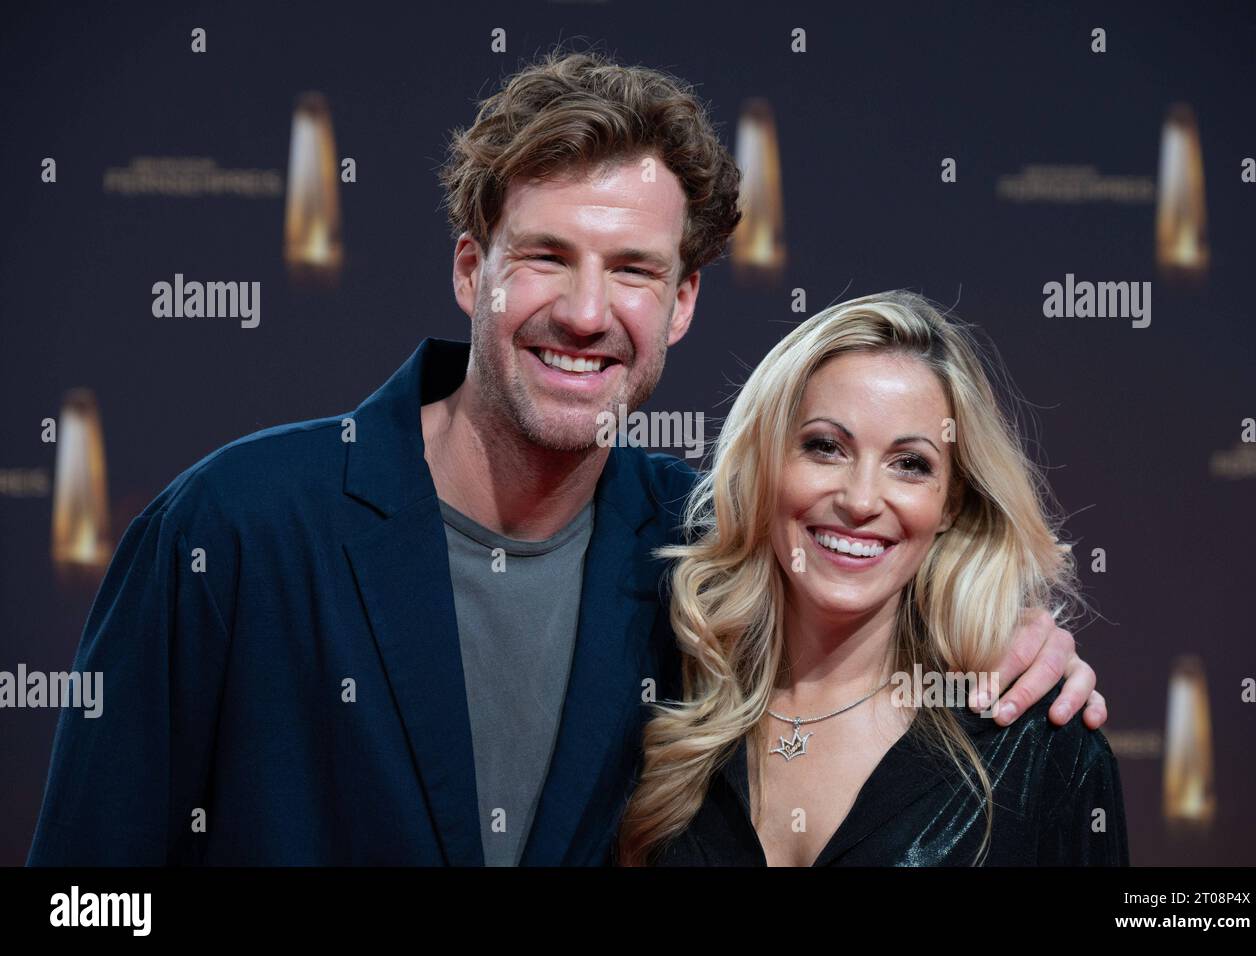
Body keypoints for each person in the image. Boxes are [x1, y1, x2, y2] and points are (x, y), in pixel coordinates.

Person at [27, 52, 1105, 868]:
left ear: (681, 302)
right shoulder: (233, 529)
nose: (588, 313)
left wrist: (1013, 640)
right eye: (547, 256)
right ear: (470, 268)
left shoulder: (702, 552)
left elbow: (862, 608)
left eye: (634, 270)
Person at [620, 292, 1127, 866]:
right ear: (767, 466)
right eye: (825, 447)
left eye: (910, 464)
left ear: (951, 504)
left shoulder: (1037, 745)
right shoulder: (662, 688)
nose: (861, 501)